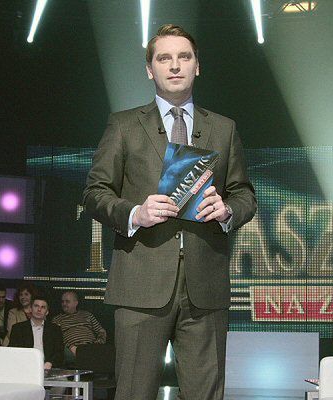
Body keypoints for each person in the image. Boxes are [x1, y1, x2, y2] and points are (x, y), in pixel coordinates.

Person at [82, 24, 256, 400]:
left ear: (197, 66)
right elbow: (95, 193)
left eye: (184, 57)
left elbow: (244, 195)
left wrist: (227, 210)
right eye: (164, 58)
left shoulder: (223, 128)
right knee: (133, 392)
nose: (175, 65)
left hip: (205, 287)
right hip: (140, 285)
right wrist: (135, 213)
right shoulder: (124, 125)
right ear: (150, 70)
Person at [8, 295, 64, 369]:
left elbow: (59, 353)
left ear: (47, 312)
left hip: (48, 368)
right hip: (24, 367)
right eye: (36, 306)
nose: (39, 309)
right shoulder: (18, 328)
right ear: (31, 309)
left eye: (43, 307)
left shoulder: (55, 329)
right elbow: (13, 352)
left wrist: (50, 363)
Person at [52, 291, 107, 363]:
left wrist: (98, 343)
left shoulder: (87, 315)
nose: (64, 304)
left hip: (91, 347)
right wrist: (70, 346)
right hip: (71, 350)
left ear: (76, 303)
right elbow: (55, 338)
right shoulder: (57, 319)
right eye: (62, 302)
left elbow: (101, 331)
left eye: (67, 301)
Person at [2, 282, 39, 346]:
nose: (23, 297)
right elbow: (11, 333)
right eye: (21, 295)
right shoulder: (13, 312)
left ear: (32, 296)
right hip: (15, 345)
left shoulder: (38, 311)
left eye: (26, 294)